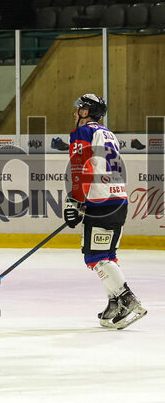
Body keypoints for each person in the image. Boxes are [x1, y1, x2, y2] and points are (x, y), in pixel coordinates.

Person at [65, 94, 146, 329]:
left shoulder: (82, 132)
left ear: (87, 112)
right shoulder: (108, 133)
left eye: (79, 109)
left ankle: (128, 300)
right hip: (118, 199)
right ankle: (114, 302)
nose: (75, 113)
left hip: (101, 202)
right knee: (107, 255)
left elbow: (80, 167)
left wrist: (75, 201)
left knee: (95, 257)